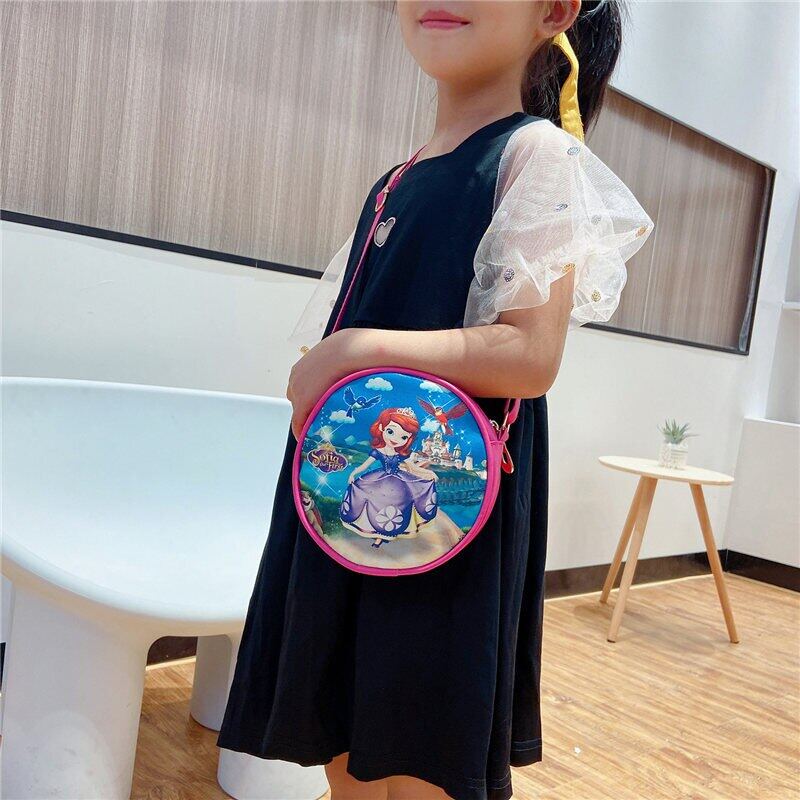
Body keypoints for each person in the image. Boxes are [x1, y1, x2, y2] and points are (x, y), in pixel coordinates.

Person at [216, 2, 653, 798]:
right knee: (343, 731)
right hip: (346, 500)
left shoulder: (537, 153)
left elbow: (530, 355)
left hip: (448, 505)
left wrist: (357, 349)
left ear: (553, 11)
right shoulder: (397, 178)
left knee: (422, 745)